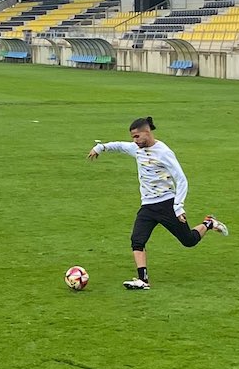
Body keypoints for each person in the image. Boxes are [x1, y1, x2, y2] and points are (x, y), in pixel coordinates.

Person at [87, 116, 228, 290]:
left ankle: (208, 223)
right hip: (147, 207)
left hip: (166, 204)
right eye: (133, 137)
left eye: (137, 136)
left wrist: (178, 207)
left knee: (189, 241)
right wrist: (100, 147)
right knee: (137, 240)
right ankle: (143, 280)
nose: (134, 140)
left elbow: (181, 179)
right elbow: (120, 146)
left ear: (147, 132)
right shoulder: (136, 149)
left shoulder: (164, 152)